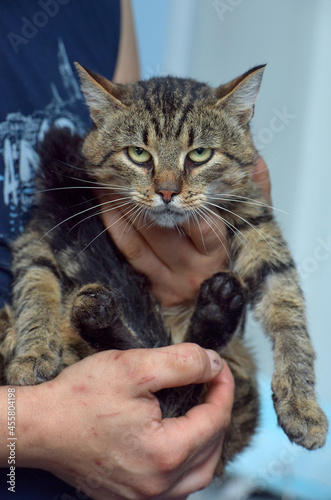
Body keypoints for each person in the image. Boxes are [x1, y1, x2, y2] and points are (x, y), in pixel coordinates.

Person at [0, 1, 271, 498]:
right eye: (143, 158)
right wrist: (32, 428)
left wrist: (214, 263)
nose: (167, 186)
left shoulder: (108, 7)